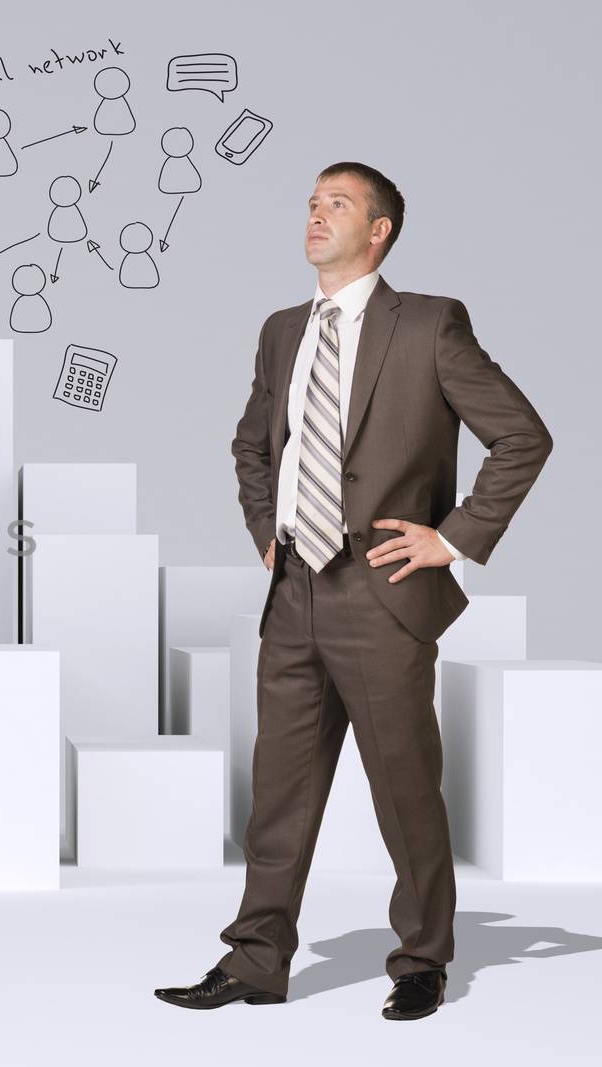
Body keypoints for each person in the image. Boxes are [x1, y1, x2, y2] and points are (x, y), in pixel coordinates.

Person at [154, 162, 552, 1020]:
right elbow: (253, 445)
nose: (315, 214)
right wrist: (267, 529)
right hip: (294, 588)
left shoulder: (431, 324)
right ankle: (256, 959)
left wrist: (450, 538)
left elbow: (523, 435)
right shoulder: (279, 330)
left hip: (381, 591)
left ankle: (422, 959)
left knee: (403, 784)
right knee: (280, 791)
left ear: (380, 231)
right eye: (310, 202)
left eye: (337, 204)